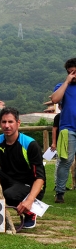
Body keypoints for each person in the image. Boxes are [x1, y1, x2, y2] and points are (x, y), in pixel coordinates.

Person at [51, 58, 76, 203]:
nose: (73, 75)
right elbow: (54, 99)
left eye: (75, 71)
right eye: (70, 72)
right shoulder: (61, 86)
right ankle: (59, 192)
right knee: (66, 161)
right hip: (68, 129)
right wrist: (67, 82)